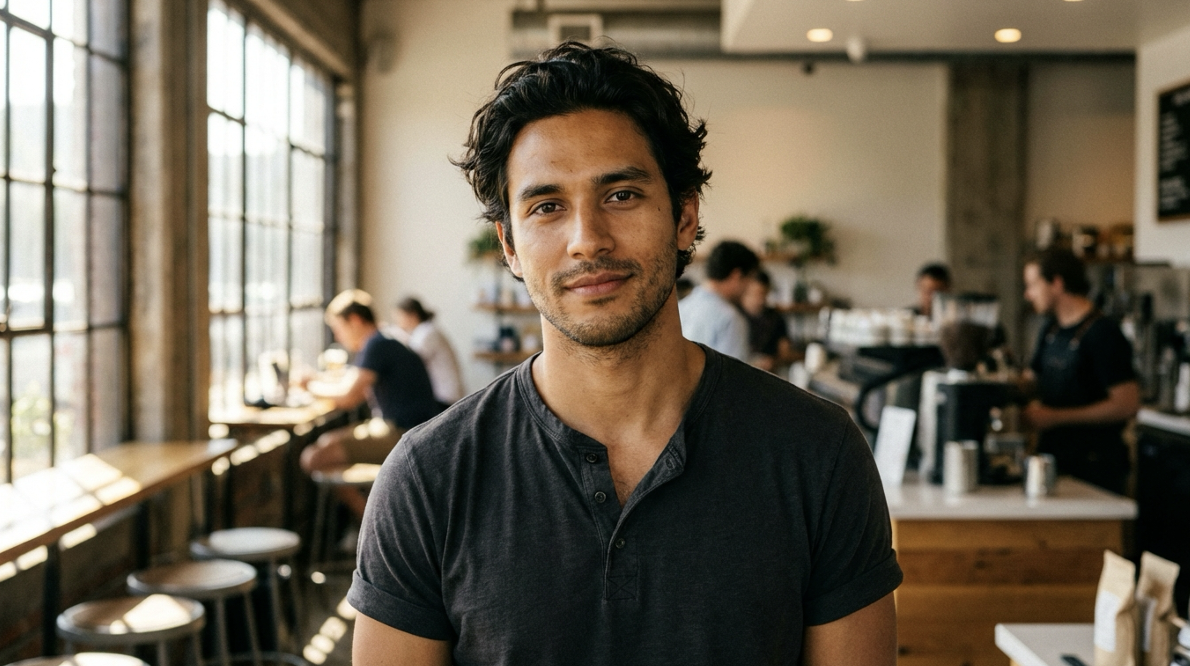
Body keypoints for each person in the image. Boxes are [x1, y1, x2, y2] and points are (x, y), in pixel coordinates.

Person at [349, 43, 901, 666]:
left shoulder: (816, 453)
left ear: (685, 214)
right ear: (508, 244)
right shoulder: (429, 477)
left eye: (621, 195)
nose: (587, 239)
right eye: (547, 206)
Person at [300, 290, 441, 517]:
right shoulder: (385, 339)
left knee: (313, 458)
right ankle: (371, 521)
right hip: (413, 429)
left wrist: (308, 386)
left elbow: (348, 397)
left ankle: (372, 525)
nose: (337, 337)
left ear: (354, 321)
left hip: (404, 434)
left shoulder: (377, 345)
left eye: (338, 328)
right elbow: (353, 382)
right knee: (327, 441)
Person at [1021, 249, 1140, 494]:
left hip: (1095, 465)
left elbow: (1126, 404)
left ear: (1056, 283)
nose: (1028, 294)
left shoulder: (1103, 334)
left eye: (1033, 284)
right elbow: (1032, 380)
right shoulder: (1051, 329)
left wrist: (1055, 417)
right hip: (1054, 459)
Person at [677, 239, 760, 361]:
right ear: (736, 275)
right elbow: (733, 377)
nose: (749, 287)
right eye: (750, 278)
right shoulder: (730, 319)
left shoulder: (679, 308)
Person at [394, 297, 466, 409]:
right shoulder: (423, 331)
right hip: (443, 396)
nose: (398, 322)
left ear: (412, 315)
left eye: (399, 316)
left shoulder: (426, 333)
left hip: (444, 397)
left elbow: (410, 361)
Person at [741, 269, 795, 371]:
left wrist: (773, 361)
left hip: (768, 375)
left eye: (764, 294)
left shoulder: (776, 318)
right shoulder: (735, 317)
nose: (761, 299)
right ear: (744, 291)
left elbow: (785, 353)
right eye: (756, 294)